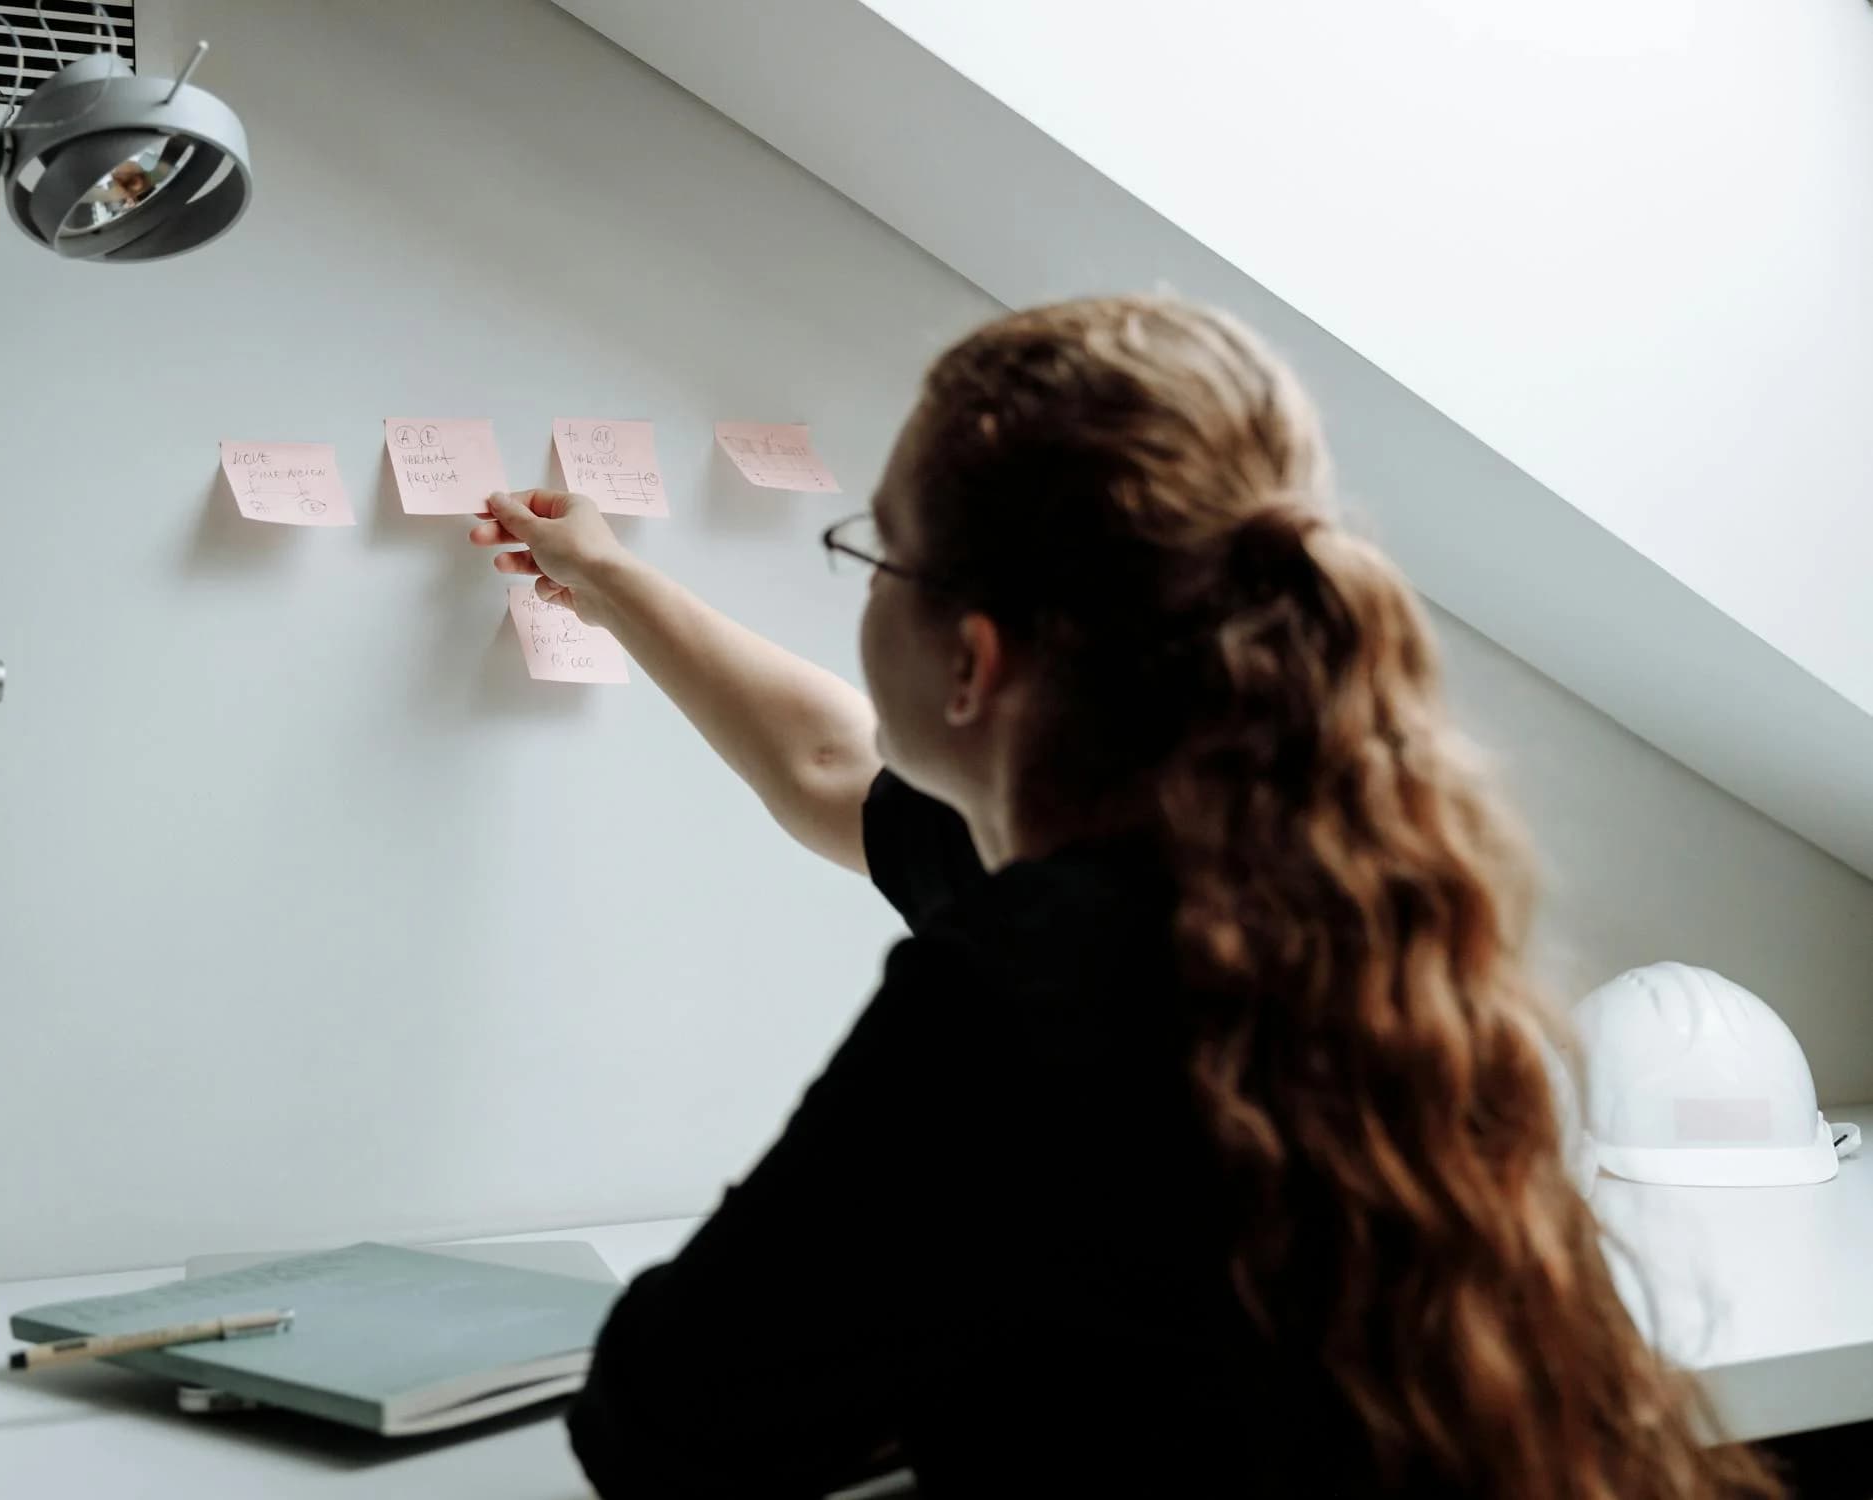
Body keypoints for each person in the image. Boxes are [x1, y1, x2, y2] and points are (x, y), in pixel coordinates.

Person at [470, 296, 1776, 1498]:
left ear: (972, 658)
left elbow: (666, 1421)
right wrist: (606, 576)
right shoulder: (1338, 896)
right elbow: (830, 769)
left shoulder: (1034, 972)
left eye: (879, 552)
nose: (864, 582)